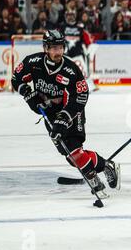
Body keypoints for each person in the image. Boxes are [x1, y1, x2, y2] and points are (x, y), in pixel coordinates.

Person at [11, 30, 119, 198]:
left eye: (60, 47)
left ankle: (95, 181)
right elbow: (16, 78)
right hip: (49, 113)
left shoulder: (71, 70)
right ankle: (105, 165)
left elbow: (81, 95)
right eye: (53, 48)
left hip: (71, 112)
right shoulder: (33, 62)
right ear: (45, 48)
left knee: (74, 148)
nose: (58, 52)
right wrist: (27, 93)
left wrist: (65, 117)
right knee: (69, 155)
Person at [60, 9, 99, 92]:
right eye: (68, 15)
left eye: (72, 15)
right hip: (65, 54)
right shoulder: (62, 27)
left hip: (78, 54)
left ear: (75, 16)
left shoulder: (80, 27)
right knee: (63, 72)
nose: (70, 17)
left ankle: (89, 86)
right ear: (66, 16)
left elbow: (87, 39)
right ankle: (62, 88)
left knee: (83, 71)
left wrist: (89, 47)